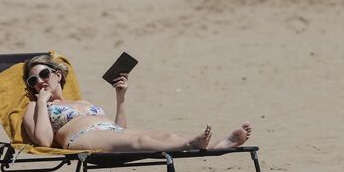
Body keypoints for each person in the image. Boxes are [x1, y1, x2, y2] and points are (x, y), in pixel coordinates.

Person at [21, 55, 252, 152]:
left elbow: (119, 129)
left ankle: (217, 146)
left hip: (109, 132)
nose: (40, 81)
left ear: (58, 75)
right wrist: (41, 102)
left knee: (167, 135)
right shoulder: (36, 107)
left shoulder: (82, 101)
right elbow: (43, 141)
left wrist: (120, 97)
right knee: (138, 141)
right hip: (81, 138)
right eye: (33, 80)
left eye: (43, 74)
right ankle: (193, 144)